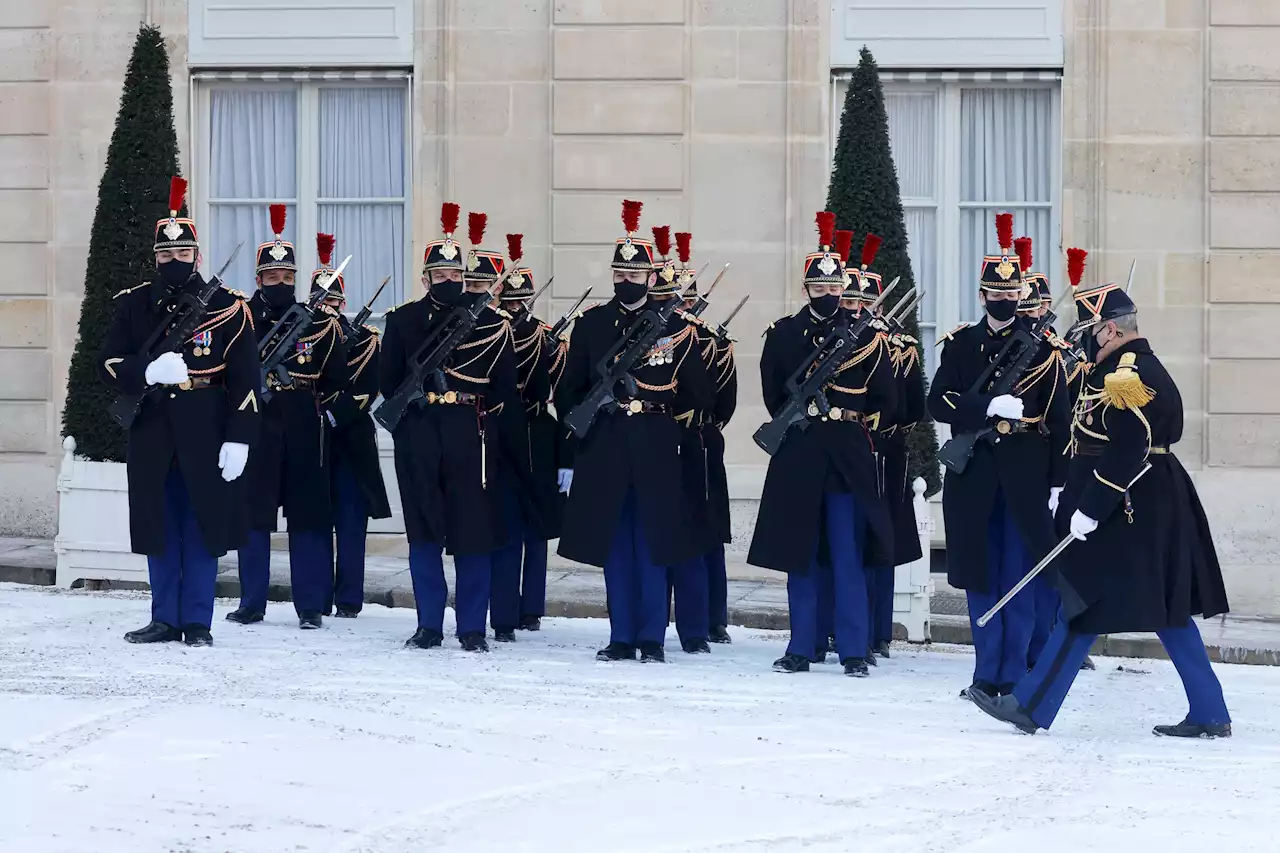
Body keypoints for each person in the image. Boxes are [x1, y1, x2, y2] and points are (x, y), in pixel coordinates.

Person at [968, 280, 1233, 738]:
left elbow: (1129, 448)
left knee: (1083, 602)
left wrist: (1091, 507)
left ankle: (1030, 707)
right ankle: (1210, 711)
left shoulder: (1126, 374)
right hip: (1143, 501)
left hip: (1128, 504)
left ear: (1109, 331)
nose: (1085, 339)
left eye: (1090, 330)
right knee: (1163, 609)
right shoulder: (1131, 367)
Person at [99, 176, 259, 646]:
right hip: (152, 430)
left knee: (203, 524)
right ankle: (163, 617)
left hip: (206, 428)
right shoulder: (133, 306)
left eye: (182, 254)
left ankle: (197, 621)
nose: (174, 262)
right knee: (159, 524)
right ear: (155, 258)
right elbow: (107, 363)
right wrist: (146, 372)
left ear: (197, 256)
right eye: (165, 256)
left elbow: (246, 379)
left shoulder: (229, 308)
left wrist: (241, 435)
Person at [555, 200, 714, 663]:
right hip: (606, 443)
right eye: (619, 274)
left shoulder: (677, 328)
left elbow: (698, 394)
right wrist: (593, 413)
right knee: (615, 547)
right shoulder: (592, 325)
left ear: (650, 277)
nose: (627, 281)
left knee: (653, 543)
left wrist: (661, 411)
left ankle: (652, 637)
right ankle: (622, 635)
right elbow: (568, 390)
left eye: (635, 275)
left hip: (656, 443)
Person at [926, 213, 1069, 698]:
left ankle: (1016, 675)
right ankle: (986, 673)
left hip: (1027, 474)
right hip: (975, 473)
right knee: (981, 577)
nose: (1005, 301)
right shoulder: (962, 344)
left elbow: (1062, 420)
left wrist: (1057, 482)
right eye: (997, 294)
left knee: (1021, 578)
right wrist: (986, 405)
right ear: (983, 294)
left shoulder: (1044, 351)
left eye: (1013, 295)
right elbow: (937, 400)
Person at [748, 212, 896, 678]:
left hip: (846, 452)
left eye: (835, 289)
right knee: (802, 553)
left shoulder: (868, 338)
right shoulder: (785, 334)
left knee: (848, 553)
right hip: (801, 450)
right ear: (807, 287)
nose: (829, 295)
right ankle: (802, 645)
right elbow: (773, 392)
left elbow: (886, 397)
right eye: (820, 288)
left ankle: (853, 648)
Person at [380, 206, 519, 652]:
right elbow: (388, 381)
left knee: (473, 533)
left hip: (469, 433)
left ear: (464, 274)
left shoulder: (492, 324)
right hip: (419, 430)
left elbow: (504, 390)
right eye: (437, 274)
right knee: (423, 532)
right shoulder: (402, 321)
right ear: (424, 279)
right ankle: (429, 625)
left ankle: (473, 627)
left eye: (453, 273)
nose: (446, 280)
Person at [230, 220, 348, 630]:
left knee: (309, 519)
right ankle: (251, 601)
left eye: (287, 276)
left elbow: (338, 382)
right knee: (253, 516)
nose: (279, 283)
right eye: (271, 276)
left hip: (303, 424)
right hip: (257, 423)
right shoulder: (241, 319)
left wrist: (326, 418)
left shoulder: (319, 324)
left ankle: (311, 605)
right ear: (258, 278)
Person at [311, 237, 392, 618]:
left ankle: (348, 598)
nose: (327, 309)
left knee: (350, 522)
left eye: (332, 302)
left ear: (343, 304)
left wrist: (332, 410)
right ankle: (317, 594)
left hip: (351, 439)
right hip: (313, 439)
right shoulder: (302, 339)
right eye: (320, 302)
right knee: (315, 521)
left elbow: (367, 390)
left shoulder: (365, 342)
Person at [488, 233, 559, 639]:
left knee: (536, 526)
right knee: (502, 524)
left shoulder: (547, 339)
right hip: (496, 428)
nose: (513, 309)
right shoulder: (489, 331)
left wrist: (566, 458)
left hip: (534, 435)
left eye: (520, 302)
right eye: (507, 302)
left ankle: (531, 605)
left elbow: (558, 396)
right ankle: (503, 610)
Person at [654, 227, 714, 654]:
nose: (674, 303)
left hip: (686, 441)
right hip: (648, 443)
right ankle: (649, 627)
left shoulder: (697, 338)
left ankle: (694, 630)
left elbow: (709, 397)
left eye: (676, 295)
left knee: (689, 540)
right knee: (652, 542)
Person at [677, 232, 738, 646]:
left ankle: (712, 617)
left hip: (699, 440)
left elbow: (726, 403)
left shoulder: (713, 344)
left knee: (707, 531)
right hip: (663, 439)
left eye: (686, 300)